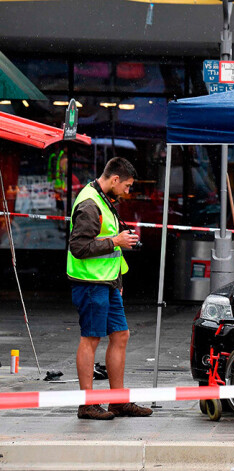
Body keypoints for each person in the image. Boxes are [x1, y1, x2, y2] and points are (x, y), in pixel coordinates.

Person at [67, 157, 153, 420]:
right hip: (91, 283)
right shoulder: (90, 204)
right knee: (90, 339)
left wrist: (117, 281)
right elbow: (79, 248)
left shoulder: (104, 200)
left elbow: (106, 247)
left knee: (121, 335)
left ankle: (117, 401)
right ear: (115, 179)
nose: (128, 191)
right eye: (126, 185)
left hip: (107, 283)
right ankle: (87, 405)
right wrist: (115, 240)